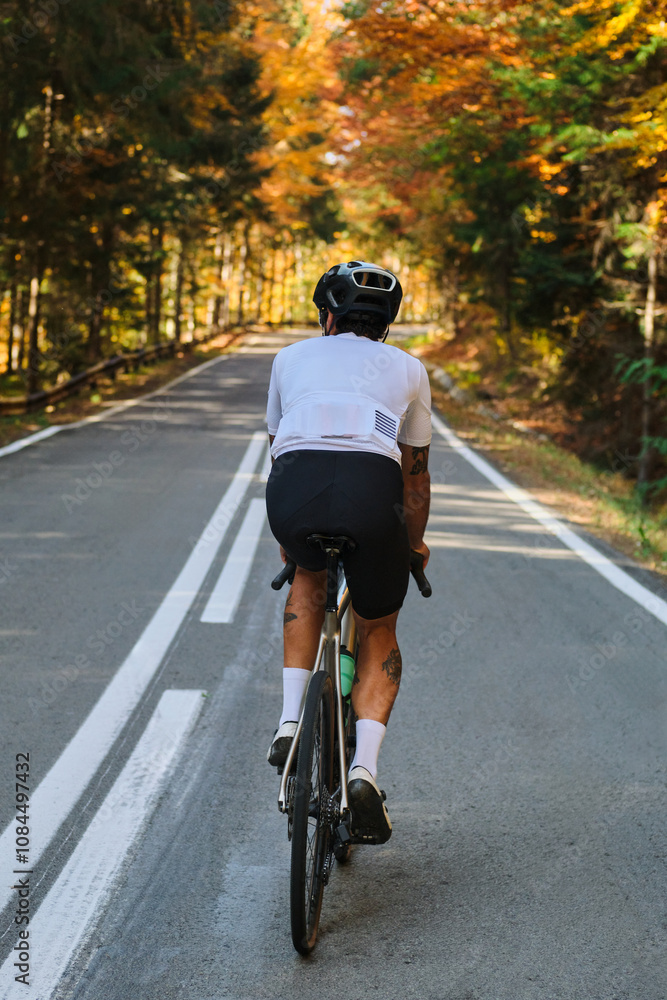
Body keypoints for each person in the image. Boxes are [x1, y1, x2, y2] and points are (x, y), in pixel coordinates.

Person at [264, 259, 431, 843]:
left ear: (326, 315)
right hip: (372, 499)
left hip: (294, 492)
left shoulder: (289, 358)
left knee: (308, 579)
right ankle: (364, 771)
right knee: (379, 623)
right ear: (386, 322)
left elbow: (279, 447)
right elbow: (414, 477)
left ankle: (289, 723)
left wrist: (291, 543)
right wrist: (412, 547)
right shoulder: (410, 369)